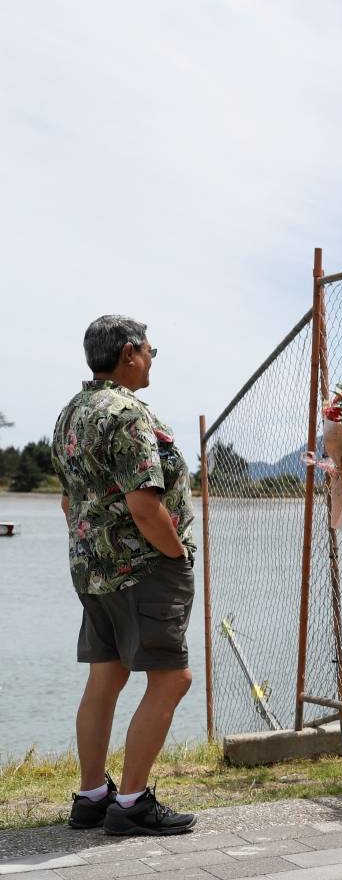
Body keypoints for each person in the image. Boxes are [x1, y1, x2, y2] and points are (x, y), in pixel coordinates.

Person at [50, 315, 197, 836]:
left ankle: (92, 796)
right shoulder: (128, 416)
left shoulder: (72, 414)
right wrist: (176, 555)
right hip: (143, 567)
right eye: (151, 351)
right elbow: (143, 505)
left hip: (92, 571)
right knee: (173, 678)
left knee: (105, 676)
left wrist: (94, 548)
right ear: (130, 353)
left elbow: (70, 501)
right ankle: (132, 802)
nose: (153, 359)